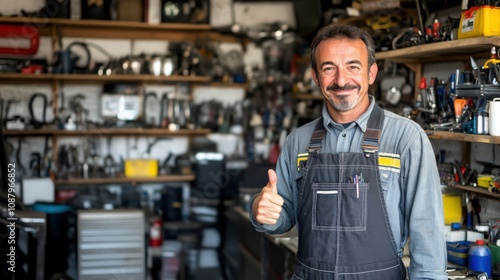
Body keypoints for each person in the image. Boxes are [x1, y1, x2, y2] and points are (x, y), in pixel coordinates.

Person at [250, 24, 447, 280]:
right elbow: (282, 217)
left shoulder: (406, 139)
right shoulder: (297, 142)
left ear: (371, 73)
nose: (341, 80)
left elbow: (427, 233)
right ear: (315, 77)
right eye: (329, 68)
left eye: (353, 66)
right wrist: (260, 210)